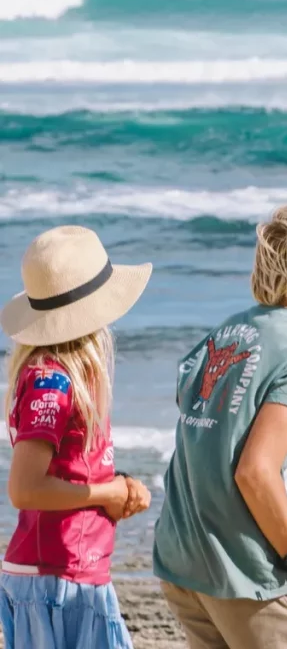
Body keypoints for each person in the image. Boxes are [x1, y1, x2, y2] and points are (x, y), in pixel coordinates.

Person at [153, 204, 287, 649]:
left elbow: (201, 437)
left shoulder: (218, 337)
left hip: (183, 558)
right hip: (242, 573)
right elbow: (254, 472)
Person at [1, 225, 153, 649]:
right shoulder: (53, 383)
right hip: (56, 578)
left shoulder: (66, 378)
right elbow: (25, 488)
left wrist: (115, 487)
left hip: (67, 569)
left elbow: (68, 468)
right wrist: (106, 493)